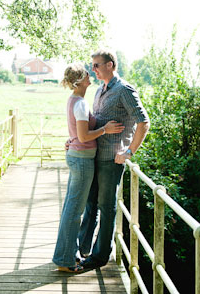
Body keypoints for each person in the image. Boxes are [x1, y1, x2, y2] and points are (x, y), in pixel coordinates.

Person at [78, 49, 150, 270]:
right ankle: (82, 250)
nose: (94, 69)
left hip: (112, 160)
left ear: (110, 65)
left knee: (106, 207)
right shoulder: (100, 90)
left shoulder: (124, 90)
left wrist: (129, 152)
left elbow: (143, 122)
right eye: (93, 65)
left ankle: (99, 257)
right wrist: (74, 140)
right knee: (90, 204)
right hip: (94, 156)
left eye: (97, 65)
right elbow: (95, 122)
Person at [52, 63, 124, 272]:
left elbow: (78, 133)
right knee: (74, 210)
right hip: (82, 160)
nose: (90, 75)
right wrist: (105, 129)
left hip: (79, 157)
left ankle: (65, 255)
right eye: (86, 74)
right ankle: (64, 260)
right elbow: (84, 136)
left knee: (71, 208)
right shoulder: (81, 104)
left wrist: (73, 139)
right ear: (79, 80)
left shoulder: (75, 100)